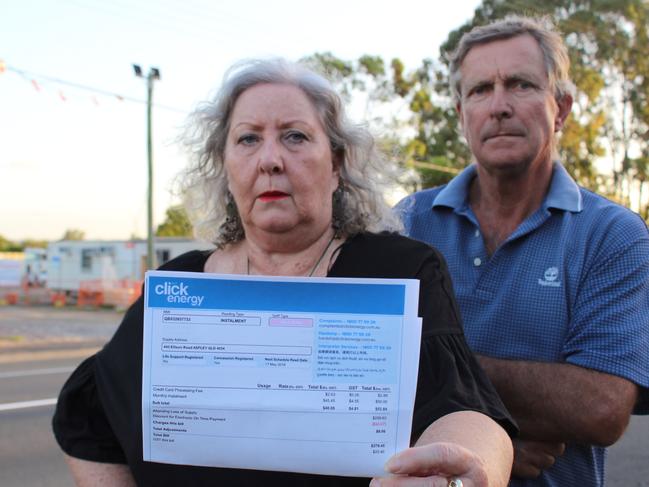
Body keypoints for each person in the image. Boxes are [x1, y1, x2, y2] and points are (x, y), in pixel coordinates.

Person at [52, 58, 515, 487]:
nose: (270, 159)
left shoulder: (401, 272)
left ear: (336, 164)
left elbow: (467, 411)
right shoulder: (180, 287)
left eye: (295, 136)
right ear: (226, 168)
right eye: (248, 138)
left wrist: (468, 468)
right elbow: (86, 419)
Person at [397, 15, 649, 487]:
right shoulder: (407, 222)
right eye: (479, 91)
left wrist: (431, 368)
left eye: (520, 84)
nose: (498, 106)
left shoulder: (613, 235)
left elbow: (601, 408)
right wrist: (497, 434)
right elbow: (361, 374)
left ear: (562, 108)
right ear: (460, 114)